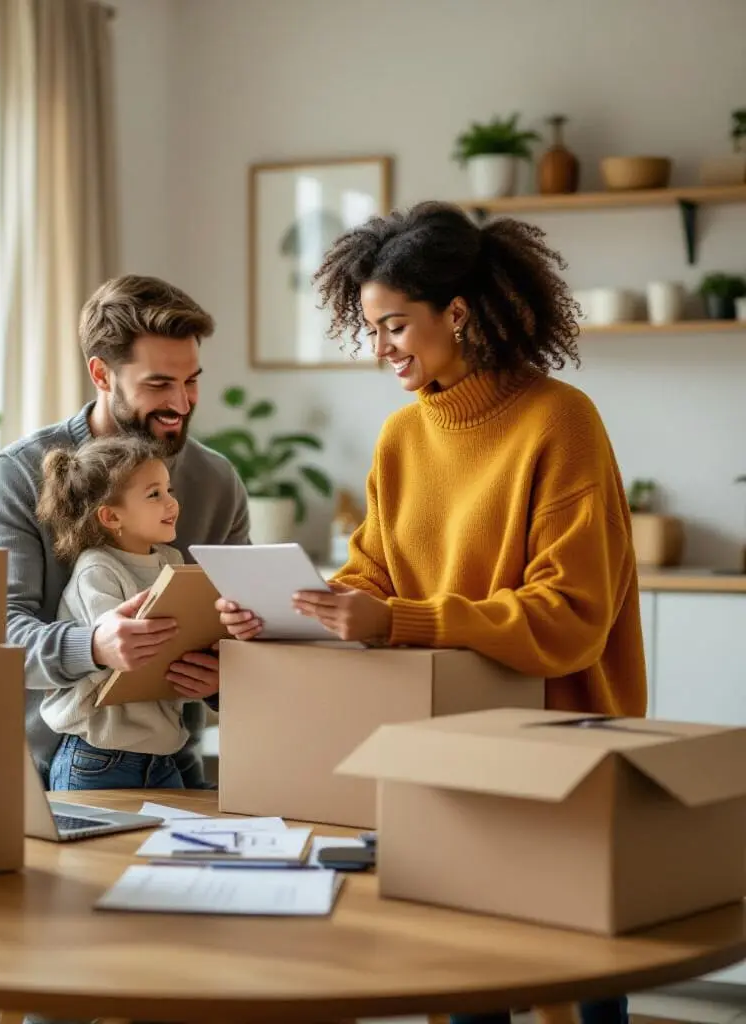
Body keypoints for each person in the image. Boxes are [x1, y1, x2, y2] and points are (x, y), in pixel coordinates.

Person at [218, 201, 646, 1024]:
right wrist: (301, 611)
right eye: (370, 329)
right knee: (458, 973)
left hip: (563, 750)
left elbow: (569, 619)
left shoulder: (561, 422)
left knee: (581, 975)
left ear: (458, 313)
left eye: (395, 327)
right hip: (444, 742)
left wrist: (398, 621)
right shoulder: (400, 439)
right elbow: (374, 574)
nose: (381, 351)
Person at [0, 274, 249, 791]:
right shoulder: (18, 474)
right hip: (60, 772)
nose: (182, 404)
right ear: (102, 375)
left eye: (191, 380)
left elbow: (244, 625)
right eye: (158, 384)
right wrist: (93, 646)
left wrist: (224, 680)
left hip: (175, 763)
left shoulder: (215, 482)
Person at [35, 434, 211, 790]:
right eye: (154, 494)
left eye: (169, 490)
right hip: (98, 758)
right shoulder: (96, 570)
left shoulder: (172, 561)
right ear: (111, 516)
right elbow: (123, 664)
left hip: (162, 758)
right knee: (94, 848)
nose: (171, 503)